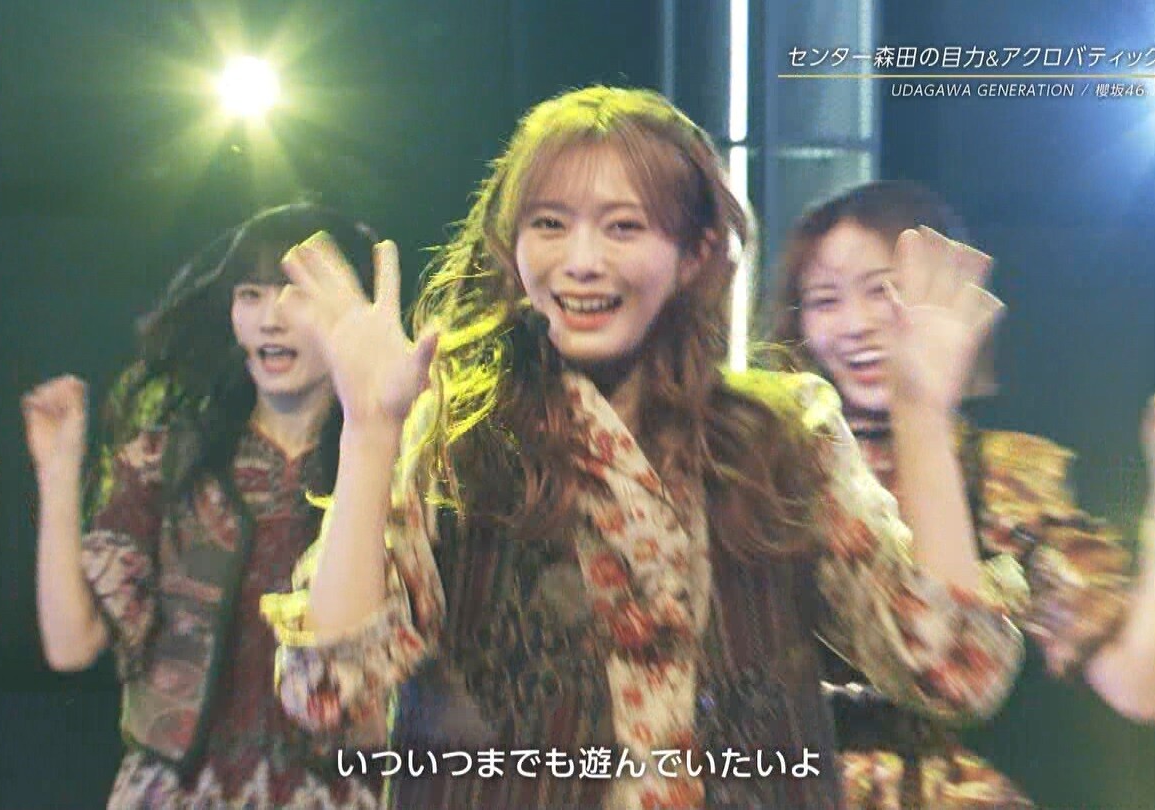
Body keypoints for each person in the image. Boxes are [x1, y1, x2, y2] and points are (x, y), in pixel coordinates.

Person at [259, 86, 1024, 810]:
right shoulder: (460, 438)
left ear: (694, 253)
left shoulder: (783, 436)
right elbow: (331, 695)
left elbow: (954, 670)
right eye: (549, 224)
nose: (581, 260)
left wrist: (922, 414)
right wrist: (368, 433)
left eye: (623, 227)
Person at [770, 179, 1155, 808]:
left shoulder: (1002, 475)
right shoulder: (768, 462)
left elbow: (1139, 684)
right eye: (825, 300)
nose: (855, 324)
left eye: (882, 291)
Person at [21, 203, 384, 808]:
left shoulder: (392, 467)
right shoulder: (168, 459)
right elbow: (71, 644)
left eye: (296, 293)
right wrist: (58, 475)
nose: (270, 319)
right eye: (250, 295)